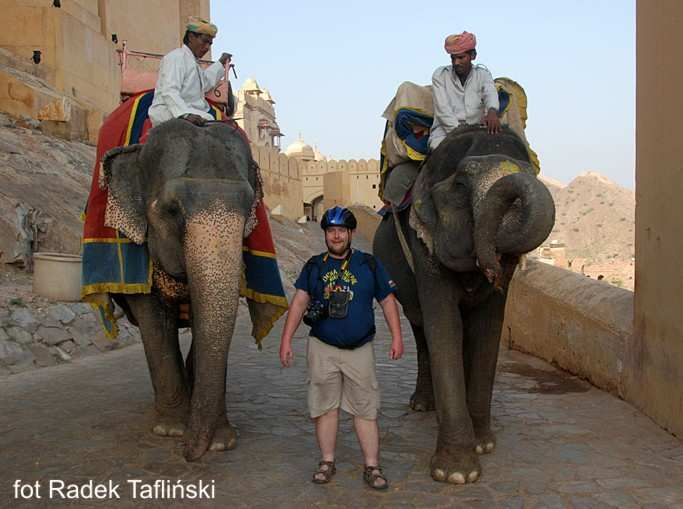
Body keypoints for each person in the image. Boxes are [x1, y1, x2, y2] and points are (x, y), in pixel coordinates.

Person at [279, 206, 404, 490]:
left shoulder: (369, 265)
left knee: (365, 409)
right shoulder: (314, 265)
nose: (336, 236)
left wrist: (397, 337)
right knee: (325, 408)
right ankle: (327, 461)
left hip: (359, 349)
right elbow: (299, 302)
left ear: (351, 234)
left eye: (341, 231)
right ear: (325, 234)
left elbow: (387, 301)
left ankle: (372, 465)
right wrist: (286, 339)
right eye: (331, 231)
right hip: (322, 347)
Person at [148, 16, 232, 127]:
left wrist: (220, 64)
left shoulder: (193, 62)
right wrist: (185, 114)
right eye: (204, 41)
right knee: (210, 122)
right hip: (169, 112)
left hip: (189, 111)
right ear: (191, 37)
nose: (207, 47)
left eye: (210, 44)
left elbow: (205, 83)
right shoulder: (176, 57)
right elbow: (169, 91)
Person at [429, 31, 501, 150]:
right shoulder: (440, 76)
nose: (456, 62)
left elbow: (490, 94)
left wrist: (492, 111)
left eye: (461, 57)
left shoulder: (483, 75)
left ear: (473, 56)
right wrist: (461, 135)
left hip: (477, 131)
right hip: (445, 133)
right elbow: (443, 111)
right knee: (440, 151)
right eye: (453, 58)